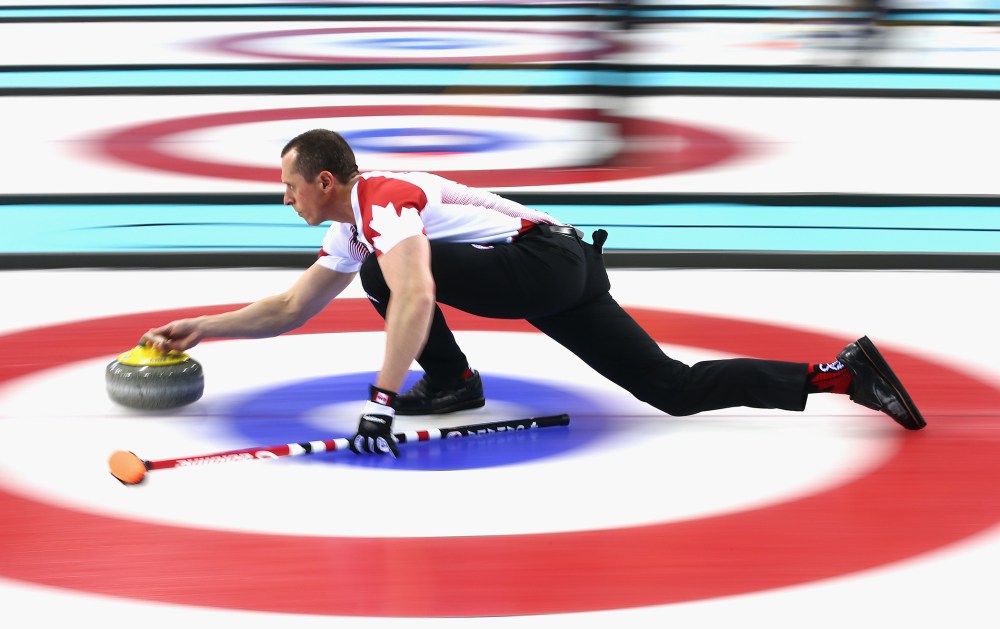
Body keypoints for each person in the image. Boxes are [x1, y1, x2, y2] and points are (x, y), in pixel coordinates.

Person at [141, 128, 926, 457]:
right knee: (672, 391)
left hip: (542, 263)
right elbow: (289, 309)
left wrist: (383, 396)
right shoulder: (355, 225)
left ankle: (450, 385)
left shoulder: (380, 202)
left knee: (390, 275)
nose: (283, 199)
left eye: (287, 186)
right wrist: (204, 327)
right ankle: (843, 374)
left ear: (321, 179)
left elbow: (412, 294)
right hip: (565, 268)